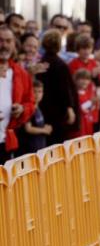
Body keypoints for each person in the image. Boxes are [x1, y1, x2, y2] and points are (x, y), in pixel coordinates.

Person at [0, 26, 34, 163]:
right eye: (0, 40)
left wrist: (22, 109)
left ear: (14, 44)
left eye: (8, 41)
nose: (4, 45)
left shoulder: (20, 73)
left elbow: (30, 102)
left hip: (6, 141)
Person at [37, 29, 77, 145]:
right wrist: (70, 108)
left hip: (43, 107)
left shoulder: (41, 62)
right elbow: (65, 88)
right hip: (58, 111)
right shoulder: (60, 64)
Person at [17, 79, 50, 155]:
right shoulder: (28, 108)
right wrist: (44, 130)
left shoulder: (38, 107)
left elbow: (38, 125)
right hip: (30, 150)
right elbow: (28, 128)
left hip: (40, 148)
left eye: (40, 92)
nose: (37, 95)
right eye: (34, 91)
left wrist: (46, 127)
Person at [71, 69, 96, 137]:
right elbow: (80, 108)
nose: (85, 81)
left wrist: (93, 104)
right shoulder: (74, 94)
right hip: (79, 127)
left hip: (87, 124)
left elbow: (90, 109)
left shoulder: (87, 93)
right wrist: (91, 102)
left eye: (87, 79)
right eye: (82, 79)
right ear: (76, 80)